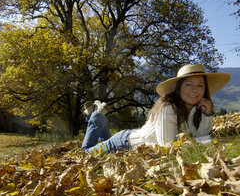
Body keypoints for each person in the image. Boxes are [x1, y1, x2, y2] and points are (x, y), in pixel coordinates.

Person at [81, 63, 231, 153]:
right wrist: (208, 141)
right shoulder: (168, 108)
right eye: (189, 84)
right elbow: (167, 147)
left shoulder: (194, 108)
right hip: (123, 143)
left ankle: (98, 122)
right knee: (87, 152)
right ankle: (95, 117)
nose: (195, 90)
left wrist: (206, 114)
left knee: (103, 141)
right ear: (178, 88)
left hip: (128, 138)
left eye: (200, 85)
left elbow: (198, 135)